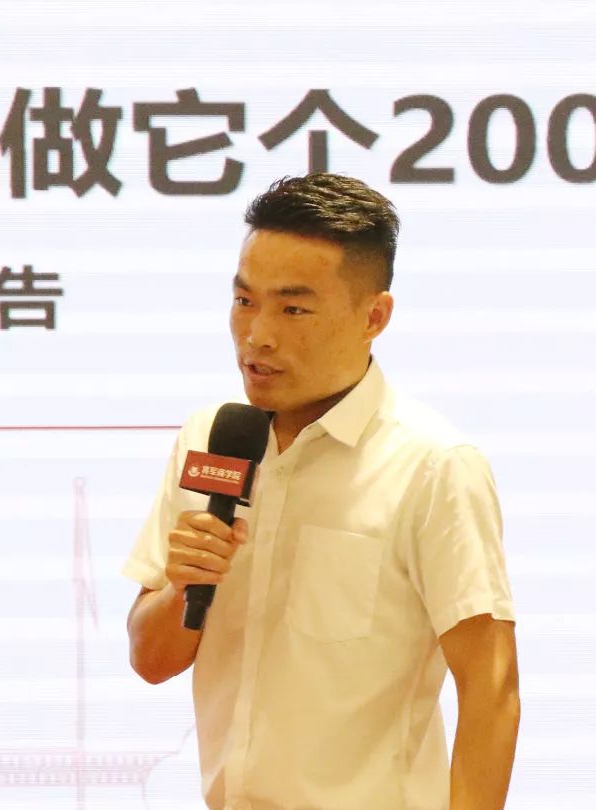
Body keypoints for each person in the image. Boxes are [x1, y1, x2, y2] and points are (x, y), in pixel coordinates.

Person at [123, 173, 519, 810]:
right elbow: (151, 659)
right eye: (244, 301)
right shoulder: (213, 438)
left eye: (293, 309)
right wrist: (182, 586)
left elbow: (491, 690)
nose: (258, 335)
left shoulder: (434, 466)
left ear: (374, 316)